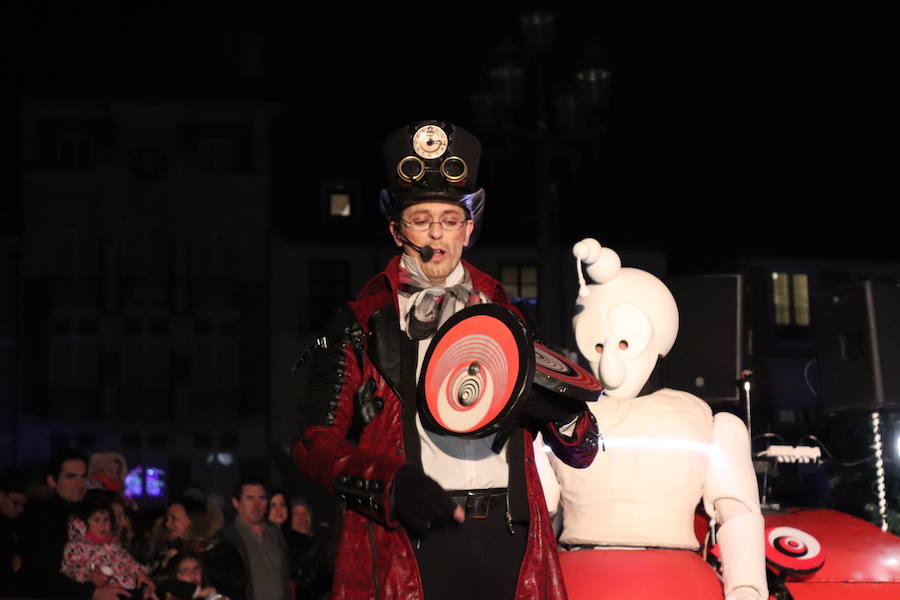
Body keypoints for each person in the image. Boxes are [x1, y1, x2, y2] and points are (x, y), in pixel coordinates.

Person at [292, 120, 598, 600]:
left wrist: (560, 413)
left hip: (509, 535)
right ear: (397, 231)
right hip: (413, 538)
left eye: (450, 218)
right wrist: (388, 484)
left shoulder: (507, 318)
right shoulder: (360, 322)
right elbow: (313, 443)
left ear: (469, 229)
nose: (436, 231)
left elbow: (582, 451)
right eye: (420, 218)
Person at [543, 239, 768, 600]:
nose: (611, 363)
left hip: (658, 579)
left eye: (622, 344)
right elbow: (536, 508)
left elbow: (738, 514)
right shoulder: (561, 416)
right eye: (599, 346)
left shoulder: (698, 419)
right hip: (589, 578)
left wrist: (746, 588)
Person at [17, 447, 130, 599]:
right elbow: (40, 574)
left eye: (83, 477)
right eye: (71, 477)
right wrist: (92, 593)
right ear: (52, 481)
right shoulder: (40, 516)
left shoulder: (88, 511)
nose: (79, 483)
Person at [61, 492, 155, 597]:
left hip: (128, 588)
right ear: (83, 523)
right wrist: (89, 575)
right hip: (106, 591)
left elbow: (126, 559)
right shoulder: (77, 545)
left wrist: (139, 573)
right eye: (97, 520)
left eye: (106, 520)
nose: (103, 525)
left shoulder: (113, 543)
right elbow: (71, 568)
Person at [219, 479, 291, 600]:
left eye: (262, 498)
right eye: (250, 498)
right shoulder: (227, 536)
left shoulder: (275, 532)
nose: (257, 504)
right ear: (236, 502)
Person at [155, 551, 228, 600]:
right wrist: (197, 592)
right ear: (175, 575)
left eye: (196, 569)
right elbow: (164, 586)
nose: (193, 574)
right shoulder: (166, 592)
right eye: (185, 571)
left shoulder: (211, 594)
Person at [0, 467, 28, 591]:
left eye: (23, 505)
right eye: (16, 503)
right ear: (1, 495)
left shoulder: (16, 524)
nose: (20, 509)